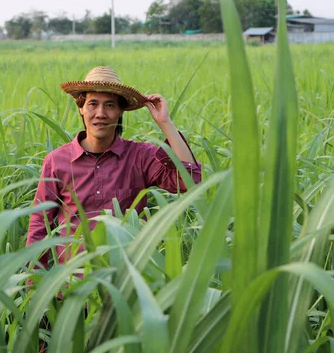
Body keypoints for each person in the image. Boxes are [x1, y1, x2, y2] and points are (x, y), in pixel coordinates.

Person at [26, 66, 202, 267]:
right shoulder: (57, 162)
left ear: (120, 111)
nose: (100, 113)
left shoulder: (140, 156)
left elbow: (190, 181)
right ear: (81, 108)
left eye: (109, 105)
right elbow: (40, 226)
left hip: (128, 282)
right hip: (73, 284)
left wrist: (165, 122)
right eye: (93, 104)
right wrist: (33, 289)